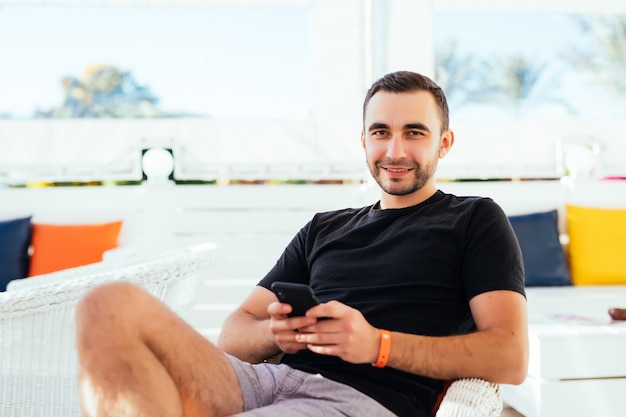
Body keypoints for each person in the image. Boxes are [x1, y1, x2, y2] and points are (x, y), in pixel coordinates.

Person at [75, 71, 529, 417]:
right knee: (108, 304)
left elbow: (510, 357)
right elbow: (233, 336)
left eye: (414, 132)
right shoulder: (325, 227)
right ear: (364, 140)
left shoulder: (473, 218)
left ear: (444, 143)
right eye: (380, 132)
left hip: (356, 402)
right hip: (269, 378)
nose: (394, 151)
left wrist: (377, 345)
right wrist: (275, 334)